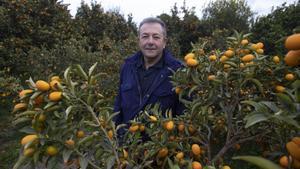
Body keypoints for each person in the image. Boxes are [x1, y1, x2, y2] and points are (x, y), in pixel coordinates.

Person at [113, 17, 185, 128]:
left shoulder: (178, 71)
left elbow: (183, 114)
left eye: (156, 37)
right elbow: (118, 105)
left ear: (164, 42)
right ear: (139, 40)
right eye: (145, 36)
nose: (150, 42)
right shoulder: (128, 66)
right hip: (126, 141)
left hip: (161, 143)